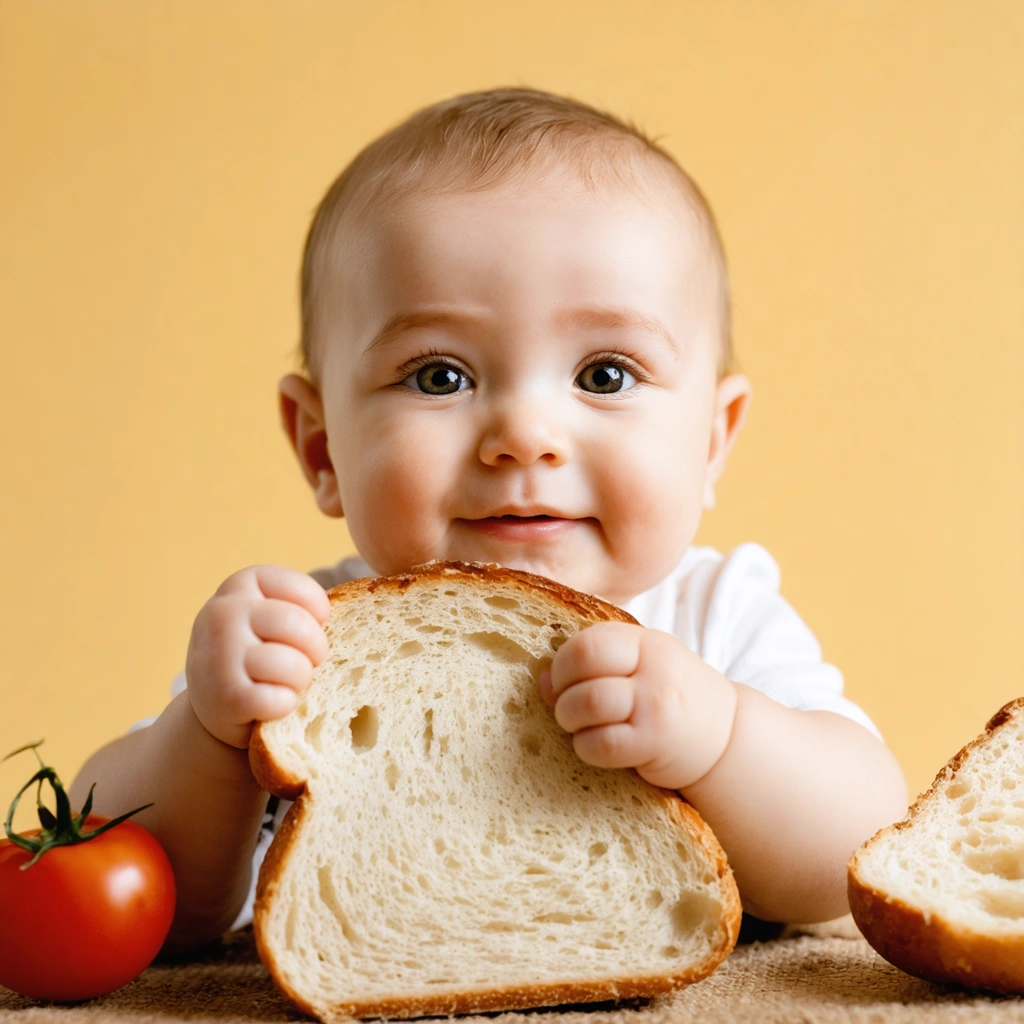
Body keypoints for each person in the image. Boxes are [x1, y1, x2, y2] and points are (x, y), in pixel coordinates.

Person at [70, 87, 908, 954]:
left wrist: (722, 736)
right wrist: (208, 734)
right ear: (322, 449)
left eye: (606, 374)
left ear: (711, 445)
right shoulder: (306, 639)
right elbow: (146, 891)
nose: (525, 438)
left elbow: (854, 853)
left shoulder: (717, 614)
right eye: (440, 376)